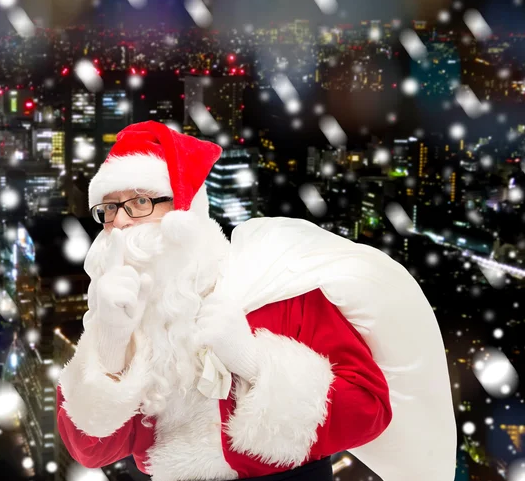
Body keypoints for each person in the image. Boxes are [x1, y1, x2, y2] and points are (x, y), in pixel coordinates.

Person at [56, 121, 456, 481]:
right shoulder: (119, 312)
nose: (120, 222)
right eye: (108, 209)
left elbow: (368, 411)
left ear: (184, 210)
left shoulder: (275, 285)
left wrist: (253, 361)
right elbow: (92, 450)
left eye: (140, 202)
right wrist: (108, 347)